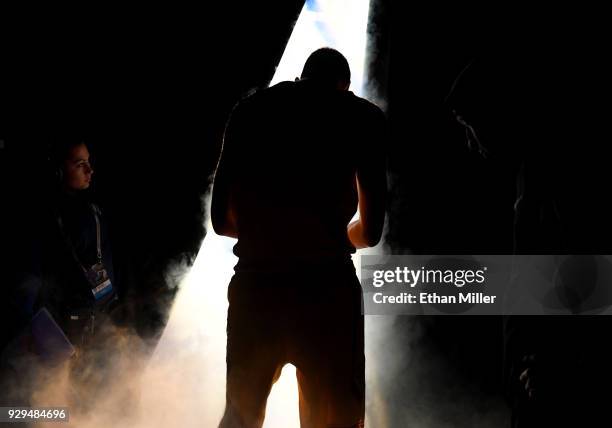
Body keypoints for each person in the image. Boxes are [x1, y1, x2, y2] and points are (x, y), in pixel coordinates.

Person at [212, 47, 387, 428]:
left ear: (302, 75)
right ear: (345, 85)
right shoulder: (361, 117)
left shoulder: (249, 111)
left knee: (241, 416)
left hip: (257, 288)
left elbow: (220, 221)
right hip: (328, 293)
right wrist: (326, 234)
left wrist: (270, 230)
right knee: (336, 419)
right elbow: (371, 233)